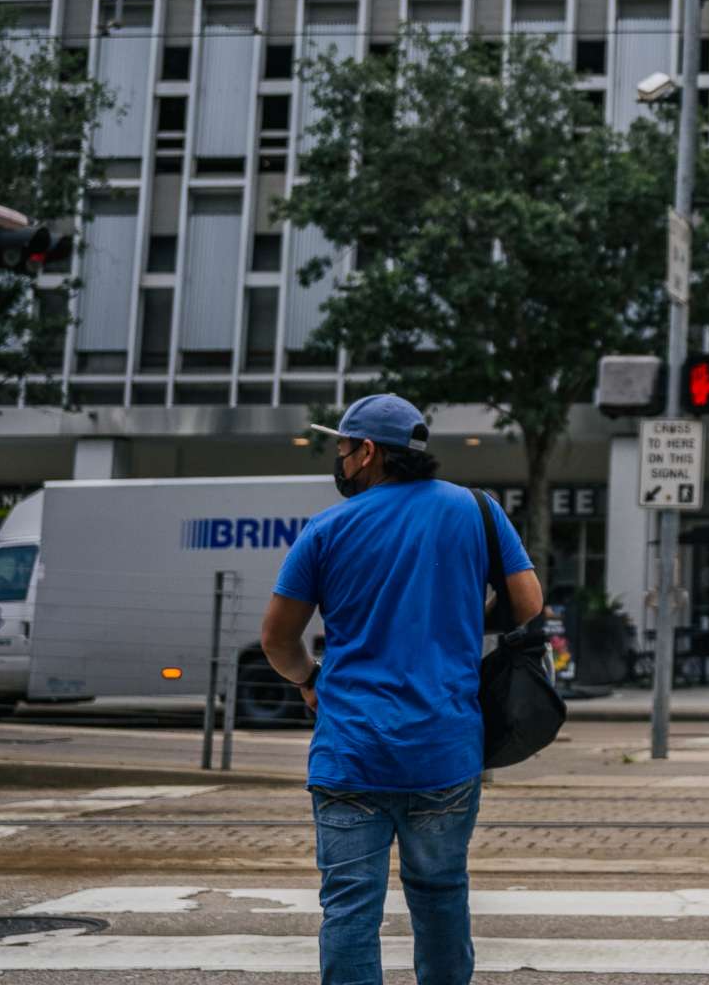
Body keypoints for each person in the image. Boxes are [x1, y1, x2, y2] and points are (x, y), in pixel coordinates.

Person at [258, 394, 542, 985]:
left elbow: (277, 639)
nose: (337, 459)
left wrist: (310, 681)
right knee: (441, 896)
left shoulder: (327, 529)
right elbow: (528, 603)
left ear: (367, 453)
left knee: (350, 910)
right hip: (445, 750)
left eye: (341, 448)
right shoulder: (477, 510)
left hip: (351, 753)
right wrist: (462, 618)